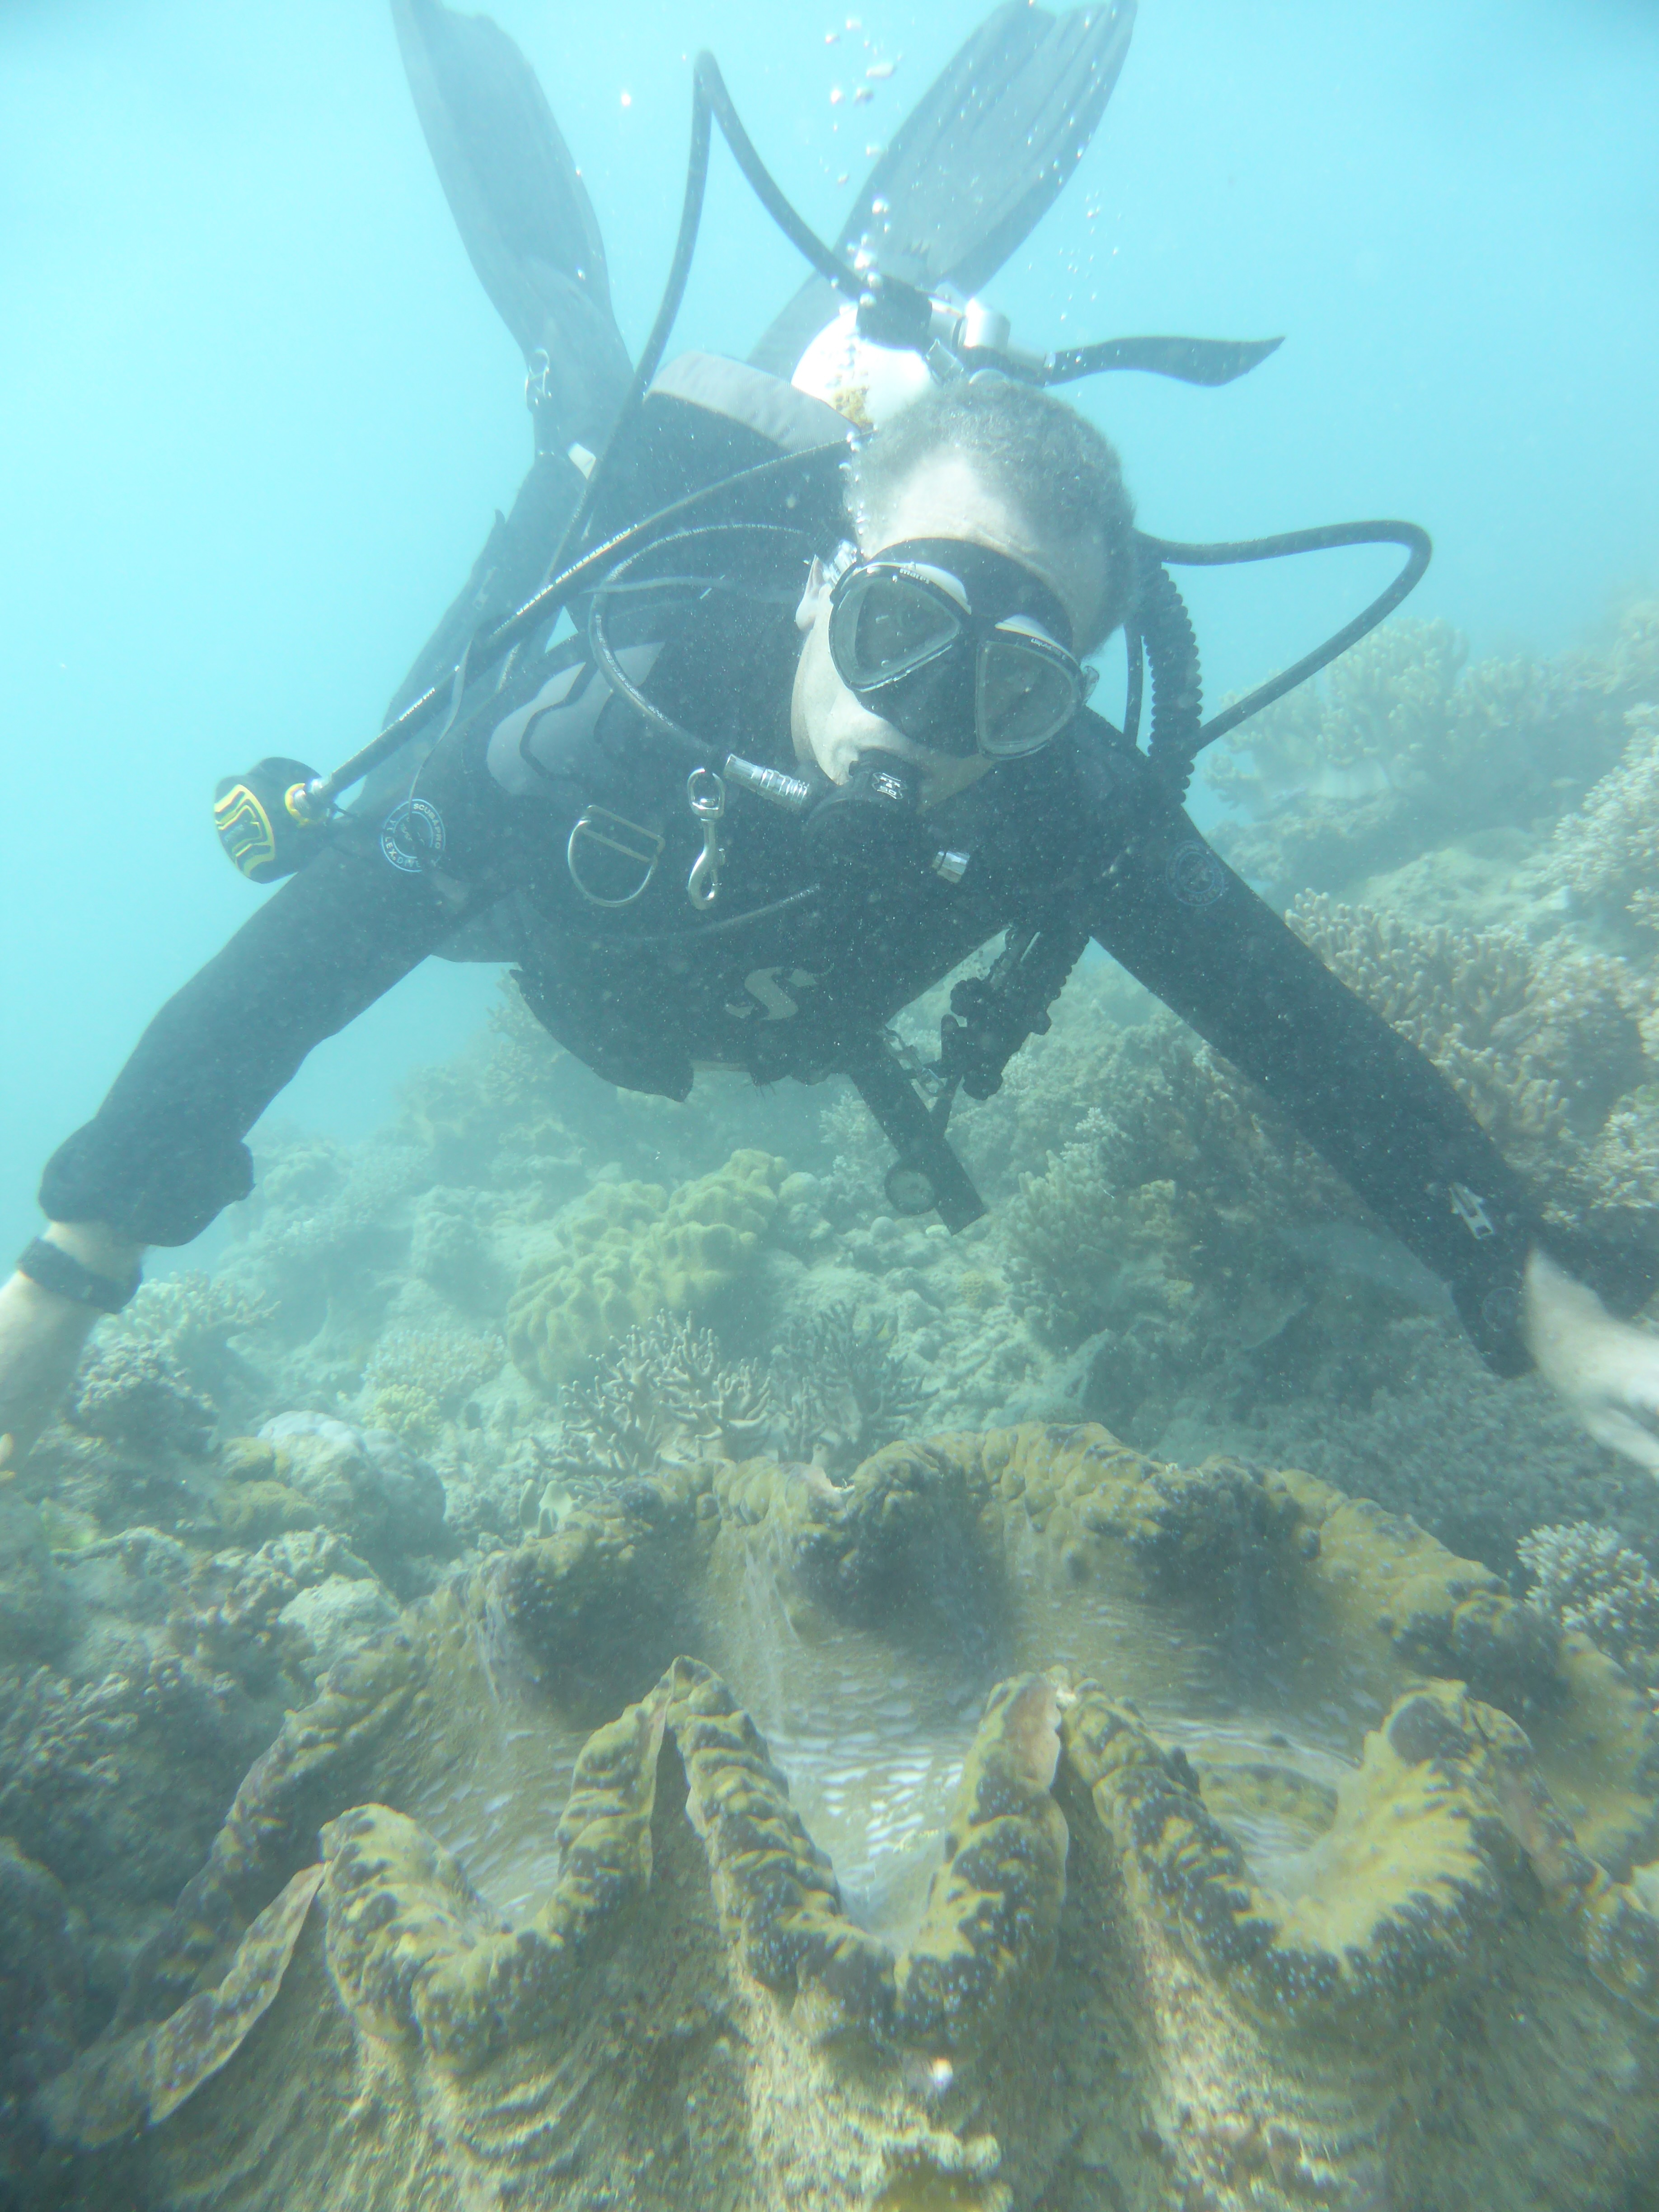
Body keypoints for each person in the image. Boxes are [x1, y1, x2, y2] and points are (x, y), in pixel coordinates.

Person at [5, 0, 1656, 1478]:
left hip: (712, 988)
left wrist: (1526, 1282)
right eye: (899, 635)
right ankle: (602, 371)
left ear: (1067, 697)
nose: (924, 725)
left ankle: (893, 324)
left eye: (1012, 689)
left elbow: (1304, 1034)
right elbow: (295, 970)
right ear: (825, 581)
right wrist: (72, 1272)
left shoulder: (1065, 804)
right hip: (567, 927)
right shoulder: (595, 716)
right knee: (534, 536)